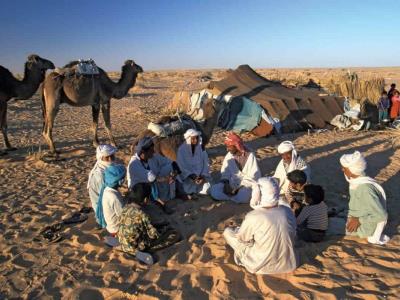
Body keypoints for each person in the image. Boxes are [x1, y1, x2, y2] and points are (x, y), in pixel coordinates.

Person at [223, 177, 297, 274]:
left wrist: (237, 229)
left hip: (260, 265)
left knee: (228, 232)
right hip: (288, 264)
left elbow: (243, 239)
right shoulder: (287, 211)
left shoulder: (253, 216)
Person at [340, 151, 389, 245]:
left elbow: (382, 215)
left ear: (352, 170)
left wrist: (358, 220)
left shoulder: (365, 188)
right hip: (356, 218)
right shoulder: (357, 181)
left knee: (327, 225)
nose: (342, 170)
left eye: (345, 168)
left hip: (363, 228)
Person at [127, 137, 177, 214]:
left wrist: (174, 173)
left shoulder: (151, 157)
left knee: (169, 167)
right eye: (151, 150)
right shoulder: (134, 164)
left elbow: (170, 162)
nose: (153, 152)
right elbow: (151, 177)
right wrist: (168, 178)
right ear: (143, 152)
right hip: (139, 192)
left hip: (151, 186)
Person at [210, 132, 261, 203]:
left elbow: (254, 176)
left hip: (245, 185)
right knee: (214, 190)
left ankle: (232, 197)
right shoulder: (229, 156)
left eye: (229, 146)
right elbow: (225, 173)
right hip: (232, 183)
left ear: (236, 145)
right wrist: (226, 184)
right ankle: (232, 198)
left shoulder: (250, 155)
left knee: (243, 196)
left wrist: (239, 188)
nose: (227, 149)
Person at [87, 144, 117, 225]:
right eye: (107, 157)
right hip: (102, 208)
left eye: (112, 156)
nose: (110, 159)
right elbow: (105, 197)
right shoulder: (99, 174)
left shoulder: (106, 169)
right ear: (101, 158)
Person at [176, 129, 211, 198]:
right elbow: (181, 166)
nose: (196, 140)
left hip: (200, 178)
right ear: (188, 139)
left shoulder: (200, 148)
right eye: (193, 138)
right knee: (186, 189)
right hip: (188, 179)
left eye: (197, 138)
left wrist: (203, 175)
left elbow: (206, 163)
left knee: (208, 189)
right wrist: (192, 176)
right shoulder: (181, 150)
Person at [95, 164, 126, 235]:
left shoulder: (107, 189)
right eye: (123, 178)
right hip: (116, 230)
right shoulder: (113, 196)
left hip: (111, 227)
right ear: (119, 180)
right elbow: (123, 215)